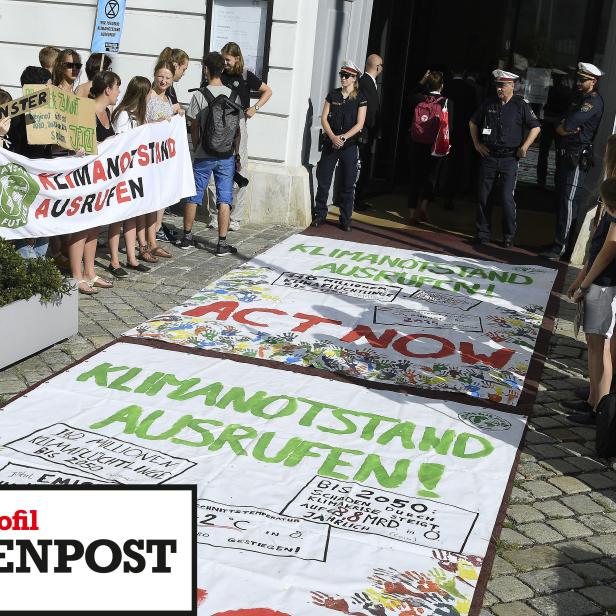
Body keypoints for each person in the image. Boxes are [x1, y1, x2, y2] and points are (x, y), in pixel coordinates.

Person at [564, 176, 616, 425]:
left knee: (599, 346)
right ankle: (594, 400)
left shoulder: (614, 221)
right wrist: (580, 281)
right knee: (594, 345)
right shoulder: (610, 217)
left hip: (604, 286)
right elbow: (596, 254)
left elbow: (605, 255)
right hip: (599, 283)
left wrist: (584, 285)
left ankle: (600, 408)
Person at [180, 52, 242, 256]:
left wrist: (197, 147)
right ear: (223, 69)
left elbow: (194, 126)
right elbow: (237, 130)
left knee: (194, 194)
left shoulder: (199, 95)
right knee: (225, 197)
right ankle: (221, 243)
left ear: (206, 69)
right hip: (226, 155)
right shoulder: (234, 95)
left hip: (204, 153)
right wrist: (236, 154)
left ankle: (187, 236)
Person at [469, 69, 541, 247]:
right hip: (489, 157)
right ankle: (482, 233)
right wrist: (477, 144)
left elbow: (536, 127)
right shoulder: (489, 103)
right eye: (497, 85)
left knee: (506, 197)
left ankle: (508, 235)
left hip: (509, 159)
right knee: (484, 196)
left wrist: (524, 147)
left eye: (502, 86)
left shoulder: (520, 105)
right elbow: (473, 122)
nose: (499, 89)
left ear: (512, 86)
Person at [541, 62, 605, 260]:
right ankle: (560, 243)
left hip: (576, 156)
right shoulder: (580, 100)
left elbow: (569, 124)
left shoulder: (592, 102)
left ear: (593, 81)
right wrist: (563, 127)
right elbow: (562, 123)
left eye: (583, 80)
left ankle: (560, 247)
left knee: (569, 202)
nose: (579, 82)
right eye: (579, 79)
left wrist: (564, 127)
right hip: (567, 154)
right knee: (563, 201)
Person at [67, 71, 120, 295]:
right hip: (85, 177)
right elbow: (76, 143)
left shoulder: (107, 112)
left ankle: (90, 272)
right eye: (117, 87)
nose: (118, 92)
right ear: (107, 89)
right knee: (81, 227)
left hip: (102, 179)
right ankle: (76, 276)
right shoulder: (85, 111)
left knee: (95, 225)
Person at [216, 41, 272, 231]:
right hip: (218, 126)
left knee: (240, 169)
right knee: (214, 168)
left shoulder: (246, 75)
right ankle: (216, 214)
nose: (225, 63)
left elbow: (267, 91)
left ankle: (235, 217)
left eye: (228, 59)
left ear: (237, 58)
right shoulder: (219, 74)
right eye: (223, 59)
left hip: (239, 126)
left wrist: (255, 108)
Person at [312, 60, 367, 232]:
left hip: (349, 145)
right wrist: (333, 137)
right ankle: (320, 214)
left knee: (348, 183)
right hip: (331, 143)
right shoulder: (333, 95)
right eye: (341, 75)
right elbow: (323, 118)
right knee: (324, 180)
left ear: (354, 78)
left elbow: (360, 124)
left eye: (347, 76)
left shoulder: (360, 97)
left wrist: (343, 137)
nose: (343, 78)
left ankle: (345, 218)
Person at [111, 76, 153, 274]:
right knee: (117, 218)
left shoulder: (138, 114)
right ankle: (114, 261)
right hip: (122, 173)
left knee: (132, 216)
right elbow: (121, 143)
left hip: (135, 171)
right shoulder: (123, 115)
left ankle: (131, 257)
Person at [143, 60, 178, 260]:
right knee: (150, 199)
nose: (163, 80)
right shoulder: (149, 96)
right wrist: (157, 123)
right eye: (160, 76)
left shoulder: (168, 100)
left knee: (160, 199)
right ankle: (146, 242)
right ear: (155, 75)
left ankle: (153, 237)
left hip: (163, 156)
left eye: (168, 77)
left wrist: (176, 114)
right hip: (149, 155)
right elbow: (142, 122)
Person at [407, 70, 449, 224]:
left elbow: (411, 93)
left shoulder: (418, 98)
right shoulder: (446, 102)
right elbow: (451, 127)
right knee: (431, 177)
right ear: (442, 86)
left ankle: (412, 214)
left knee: (415, 177)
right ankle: (424, 206)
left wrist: (422, 80)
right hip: (435, 145)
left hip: (416, 143)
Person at [441, 67, 480, 208]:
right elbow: (474, 114)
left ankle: (431, 192)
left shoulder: (444, 86)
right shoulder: (469, 89)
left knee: (438, 161)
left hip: (442, 130)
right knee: (455, 163)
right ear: (464, 72)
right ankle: (450, 195)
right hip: (460, 132)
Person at [355, 54, 383, 212]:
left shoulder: (368, 82)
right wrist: (375, 128)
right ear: (378, 67)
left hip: (368, 133)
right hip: (364, 133)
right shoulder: (366, 82)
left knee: (363, 166)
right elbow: (370, 109)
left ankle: (359, 197)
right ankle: (356, 199)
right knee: (361, 167)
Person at [536, 71, 573, 187]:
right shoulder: (564, 91)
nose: (555, 80)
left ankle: (544, 182)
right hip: (553, 123)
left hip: (553, 124)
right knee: (552, 155)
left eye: (556, 78)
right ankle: (552, 183)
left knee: (549, 155)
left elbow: (541, 106)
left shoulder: (551, 90)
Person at [157, 47, 189, 114]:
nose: (184, 73)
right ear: (175, 66)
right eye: (183, 69)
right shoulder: (167, 88)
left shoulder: (166, 87)